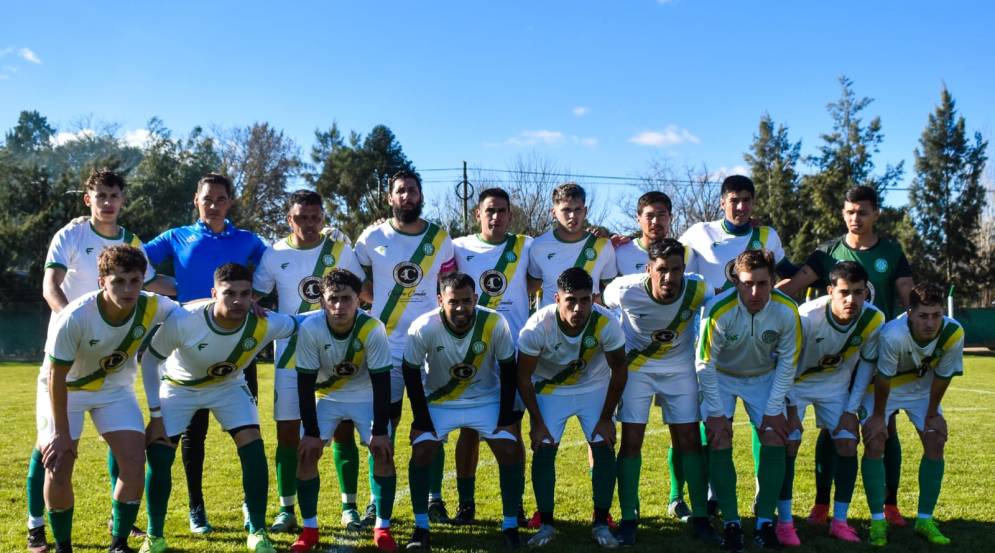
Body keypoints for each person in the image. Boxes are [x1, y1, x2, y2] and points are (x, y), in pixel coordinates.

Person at [28, 169, 167, 553]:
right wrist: (68, 321)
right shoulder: (71, 235)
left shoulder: (132, 243)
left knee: (130, 455)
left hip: (112, 376)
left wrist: (215, 296)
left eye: (114, 196)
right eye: (100, 195)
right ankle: (39, 527)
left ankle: (118, 534)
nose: (108, 202)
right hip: (69, 360)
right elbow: (49, 284)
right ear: (88, 199)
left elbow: (154, 286)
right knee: (52, 451)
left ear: (123, 200)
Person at [777, 185, 914, 525]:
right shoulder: (827, 253)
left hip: (876, 349)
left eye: (863, 212)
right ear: (843, 213)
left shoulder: (892, 252)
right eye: (850, 211)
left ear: (876, 214)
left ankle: (890, 503)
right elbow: (793, 286)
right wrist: (750, 298)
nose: (856, 218)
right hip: (834, 354)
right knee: (833, 428)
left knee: (885, 427)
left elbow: (909, 295)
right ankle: (823, 504)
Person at [138, 263, 298, 553]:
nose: (238, 300)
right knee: (160, 455)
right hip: (179, 387)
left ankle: (258, 531)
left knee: (253, 448)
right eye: (229, 293)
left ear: (253, 296)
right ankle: (154, 536)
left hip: (227, 386)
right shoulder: (185, 319)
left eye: (245, 293)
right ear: (214, 293)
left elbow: (302, 323)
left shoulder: (265, 321)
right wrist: (155, 415)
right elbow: (150, 360)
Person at [143, 173, 267, 534]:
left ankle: (251, 506)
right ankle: (197, 507)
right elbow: (137, 263)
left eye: (221, 199)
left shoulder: (249, 241)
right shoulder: (176, 237)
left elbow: (271, 275)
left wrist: (253, 301)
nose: (214, 205)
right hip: (187, 348)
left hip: (237, 349)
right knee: (191, 436)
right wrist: (168, 287)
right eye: (207, 198)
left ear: (231, 202)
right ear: (195, 200)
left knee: (248, 431)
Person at [41, 245, 178, 553]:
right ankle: (64, 546)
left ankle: (118, 543)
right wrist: (61, 434)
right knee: (59, 464)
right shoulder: (75, 316)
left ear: (143, 279)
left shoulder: (152, 305)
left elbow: (193, 311)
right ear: (102, 281)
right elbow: (55, 377)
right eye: (118, 281)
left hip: (114, 389)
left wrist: (238, 304)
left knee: (133, 461)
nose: (128, 289)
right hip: (66, 388)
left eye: (134, 280)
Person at [252, 190, 363, 533]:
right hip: (290, 356)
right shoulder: (275, 254)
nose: (310, 224)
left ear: (323, 218)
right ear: (290, 219)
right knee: (288, 434)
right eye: (302, 217)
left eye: (316, 217)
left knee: (343, 431)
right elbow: (254, 295)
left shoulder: (340, 250)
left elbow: (360, 292)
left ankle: (350, 507)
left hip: (336, 357)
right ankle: (286, 510)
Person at [354, 170, 457, 524]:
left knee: (433, 425)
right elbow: (357, 282)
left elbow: (448, 285)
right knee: (383, 424)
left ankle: (434, 499)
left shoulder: (440, 238)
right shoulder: (371, 237)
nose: (407, 196)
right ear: (390, 198)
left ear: (421, 196)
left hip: (432, 346)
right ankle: (374, 501)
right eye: (401, 191)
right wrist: (377, 304)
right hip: (387, 348)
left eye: (413, 191)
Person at [603, 238, 715, 545]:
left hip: (680, 370)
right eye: (662, 270)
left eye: (676, 270)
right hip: (637, 370)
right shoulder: (624, 289)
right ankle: (629, 518)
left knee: (690, 439)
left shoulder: (698, 288)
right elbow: (602, 304)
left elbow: (721, 305)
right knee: (632, 441)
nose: (669, 277)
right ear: (649, 269)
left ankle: (702, 517)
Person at [401, 272, 524, 550]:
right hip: (441, 401)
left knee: (508, 447)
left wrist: (505, 420)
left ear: (475, 299)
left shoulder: (494, 322)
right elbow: (410, 371)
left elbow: (508, 369)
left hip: (485, 399)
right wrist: (421, 420)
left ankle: (510, 525)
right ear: (440, 300)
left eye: (467, 301)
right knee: (422, 450)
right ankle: (421, 528)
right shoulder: (424, 326)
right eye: (453, 301)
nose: (460, 308)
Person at [695, 249, 801, 552]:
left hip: (764, 378)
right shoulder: (718, 309)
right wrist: (715, 413)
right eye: (746, 284)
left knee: (775, 437)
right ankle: (731, 522)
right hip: (722, 377)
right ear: (736, 282)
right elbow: (705, 364)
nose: (754, 292)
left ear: (773, 281)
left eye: (762, 284)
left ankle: (765, 522)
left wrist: (772, 411)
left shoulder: (787, 310)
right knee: (717, 439)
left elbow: (787, 363)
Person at [517, 268, 628, 548]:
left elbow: (619, 371)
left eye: (584, 300)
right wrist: (536, 421)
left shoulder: (607, 322)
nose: (578, 308)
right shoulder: (537, 326)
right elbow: (523, 377)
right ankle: (547, 524)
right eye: (570, 301)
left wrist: (606, 418)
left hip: (593, 386)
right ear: (556, 298)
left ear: (593, 298)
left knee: (603, 444)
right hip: (551, 388)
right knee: (544, 447)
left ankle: (601, 522)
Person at [776, 261, 885, 546]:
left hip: (835, 386)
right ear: (830, 291)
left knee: (848, 442)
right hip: (795, 384)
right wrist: (789, 409)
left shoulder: (874, 319)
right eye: (845, 292)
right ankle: (785, 523)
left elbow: (866, 367)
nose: (852, 300)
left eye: (859, 293)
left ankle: (839, 521)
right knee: (790, 441)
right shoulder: (806, 317)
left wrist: (851, 411)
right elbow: (785, 364)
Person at [290, 269, 398, 552]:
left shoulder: (372, 327)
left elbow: (382, 383)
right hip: (327, 395)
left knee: (384, 452)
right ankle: (309, 530)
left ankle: (382, 529)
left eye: (346, 299)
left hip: (366, 394)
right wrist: (312, 433)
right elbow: (304, 384)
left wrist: (379, 432)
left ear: (359, 301)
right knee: (306, 453)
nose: (339, 306)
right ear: (322, 302)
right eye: (333, 299)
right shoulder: (311, 328)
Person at [450, 187, 533, 525]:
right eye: (489, 211)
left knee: (511, 430)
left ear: (510, 215)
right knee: (469, 430)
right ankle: (466, 504)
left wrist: (605, 237)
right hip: (471, 354)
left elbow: (565, 246)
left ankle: (515, 505)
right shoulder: (458, 247)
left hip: (512, 355)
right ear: (477, 215)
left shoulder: (527, 246)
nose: (496, 217)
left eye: (502, 211)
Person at [858, 283, 963, 547]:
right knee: (875, 440)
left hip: (921, 391)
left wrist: (932, 415)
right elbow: (883, 380)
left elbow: (943, 376)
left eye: (936, 315)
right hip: (882, 388)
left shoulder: (953, 332)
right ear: (910, 314)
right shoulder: (893, 335)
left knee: (935, 439)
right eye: (923, 316)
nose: (931, 323)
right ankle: (878, 520)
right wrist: (879, 416)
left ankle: (925, 519)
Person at [528, 182, 618, 307]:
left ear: (585, 211)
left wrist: (599, 301)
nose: (573, 216)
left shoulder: (603, 245)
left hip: (591, 324)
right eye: (566, 210)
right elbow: (530, 288)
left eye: (578, 209)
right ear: (553, 213)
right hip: (551, 323)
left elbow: (612, 290)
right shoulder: (538, 245)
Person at [614, 191, 673, 276]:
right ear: (638, 218)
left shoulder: (683, 255)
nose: (655, 221)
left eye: (661, 215)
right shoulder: (619, 253)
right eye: (649, 216)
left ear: (671, 218)